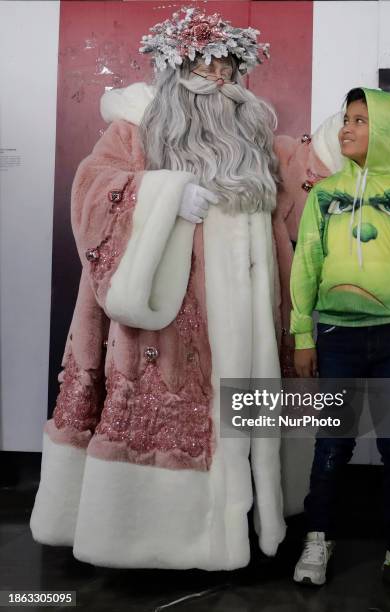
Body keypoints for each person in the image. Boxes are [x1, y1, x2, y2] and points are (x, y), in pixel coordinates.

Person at [30, 7, 342, 570]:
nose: (216, 76)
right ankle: (157, 539)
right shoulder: (135, 127)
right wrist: (164, 196)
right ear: (177, 69)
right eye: (203, 62)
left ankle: (250, 523)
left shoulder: (253, 137)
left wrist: (339, 138)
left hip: (250, 317)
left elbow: (300, 186)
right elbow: (92, 192)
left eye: (226, 64)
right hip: (173, 322)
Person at [290, 87, 390, 598]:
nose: (346, 128)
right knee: (331, 444)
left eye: (360, 120)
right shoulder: (323, 193)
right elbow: (307, 263)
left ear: (383, 128)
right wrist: (301, 331)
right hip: (336, 337)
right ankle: (318, 539)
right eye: (346, 119)